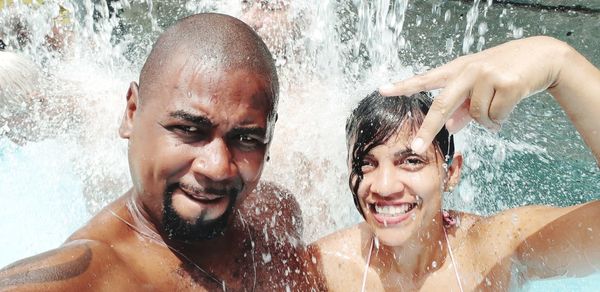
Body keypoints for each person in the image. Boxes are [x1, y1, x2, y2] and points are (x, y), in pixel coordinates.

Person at [0, 13, 323, 291]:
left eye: (246, 139)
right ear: (131, 112)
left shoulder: (275, 214)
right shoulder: (88, 277)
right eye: (189, 130)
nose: (217, 167)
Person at [312, 36, 600, 291]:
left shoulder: (492, 252)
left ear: (451, 171)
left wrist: (558, 64)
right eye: (366, 164)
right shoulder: (324, 266)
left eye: (411, 161)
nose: (385, 186)